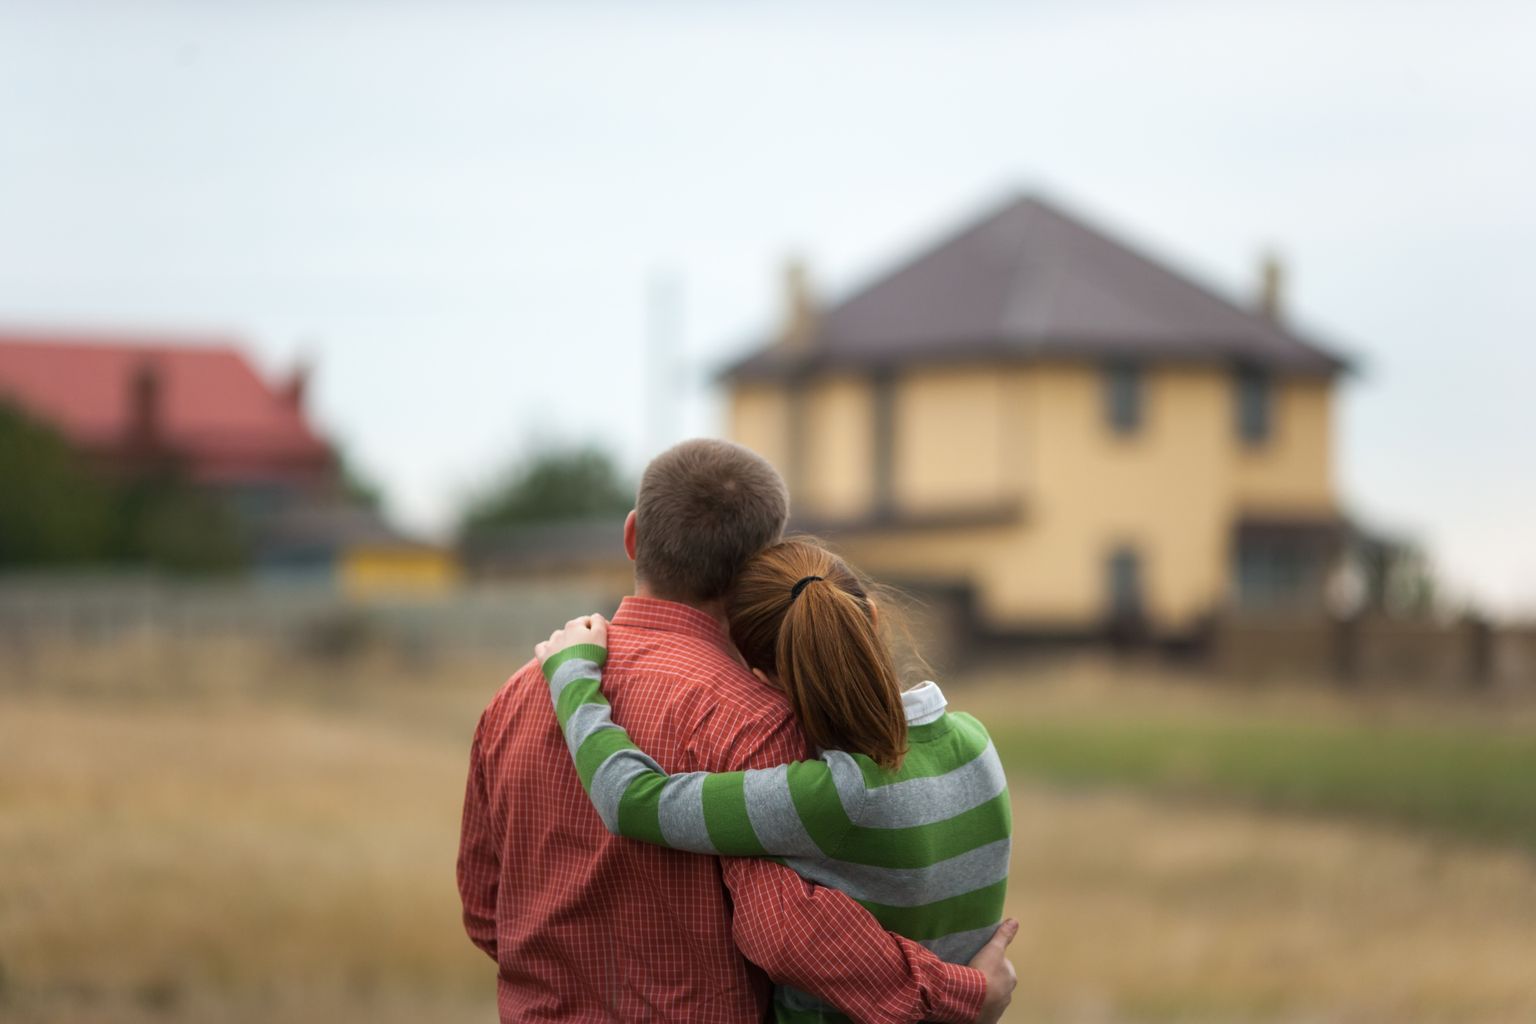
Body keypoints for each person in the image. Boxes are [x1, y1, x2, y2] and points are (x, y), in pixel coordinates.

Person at [457, 438, 1017, 1023]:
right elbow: (786, 933)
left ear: (631, 536)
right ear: (762, 568)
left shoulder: (517, 694)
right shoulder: (759, 721)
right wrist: (962, 990)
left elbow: (484, 911)